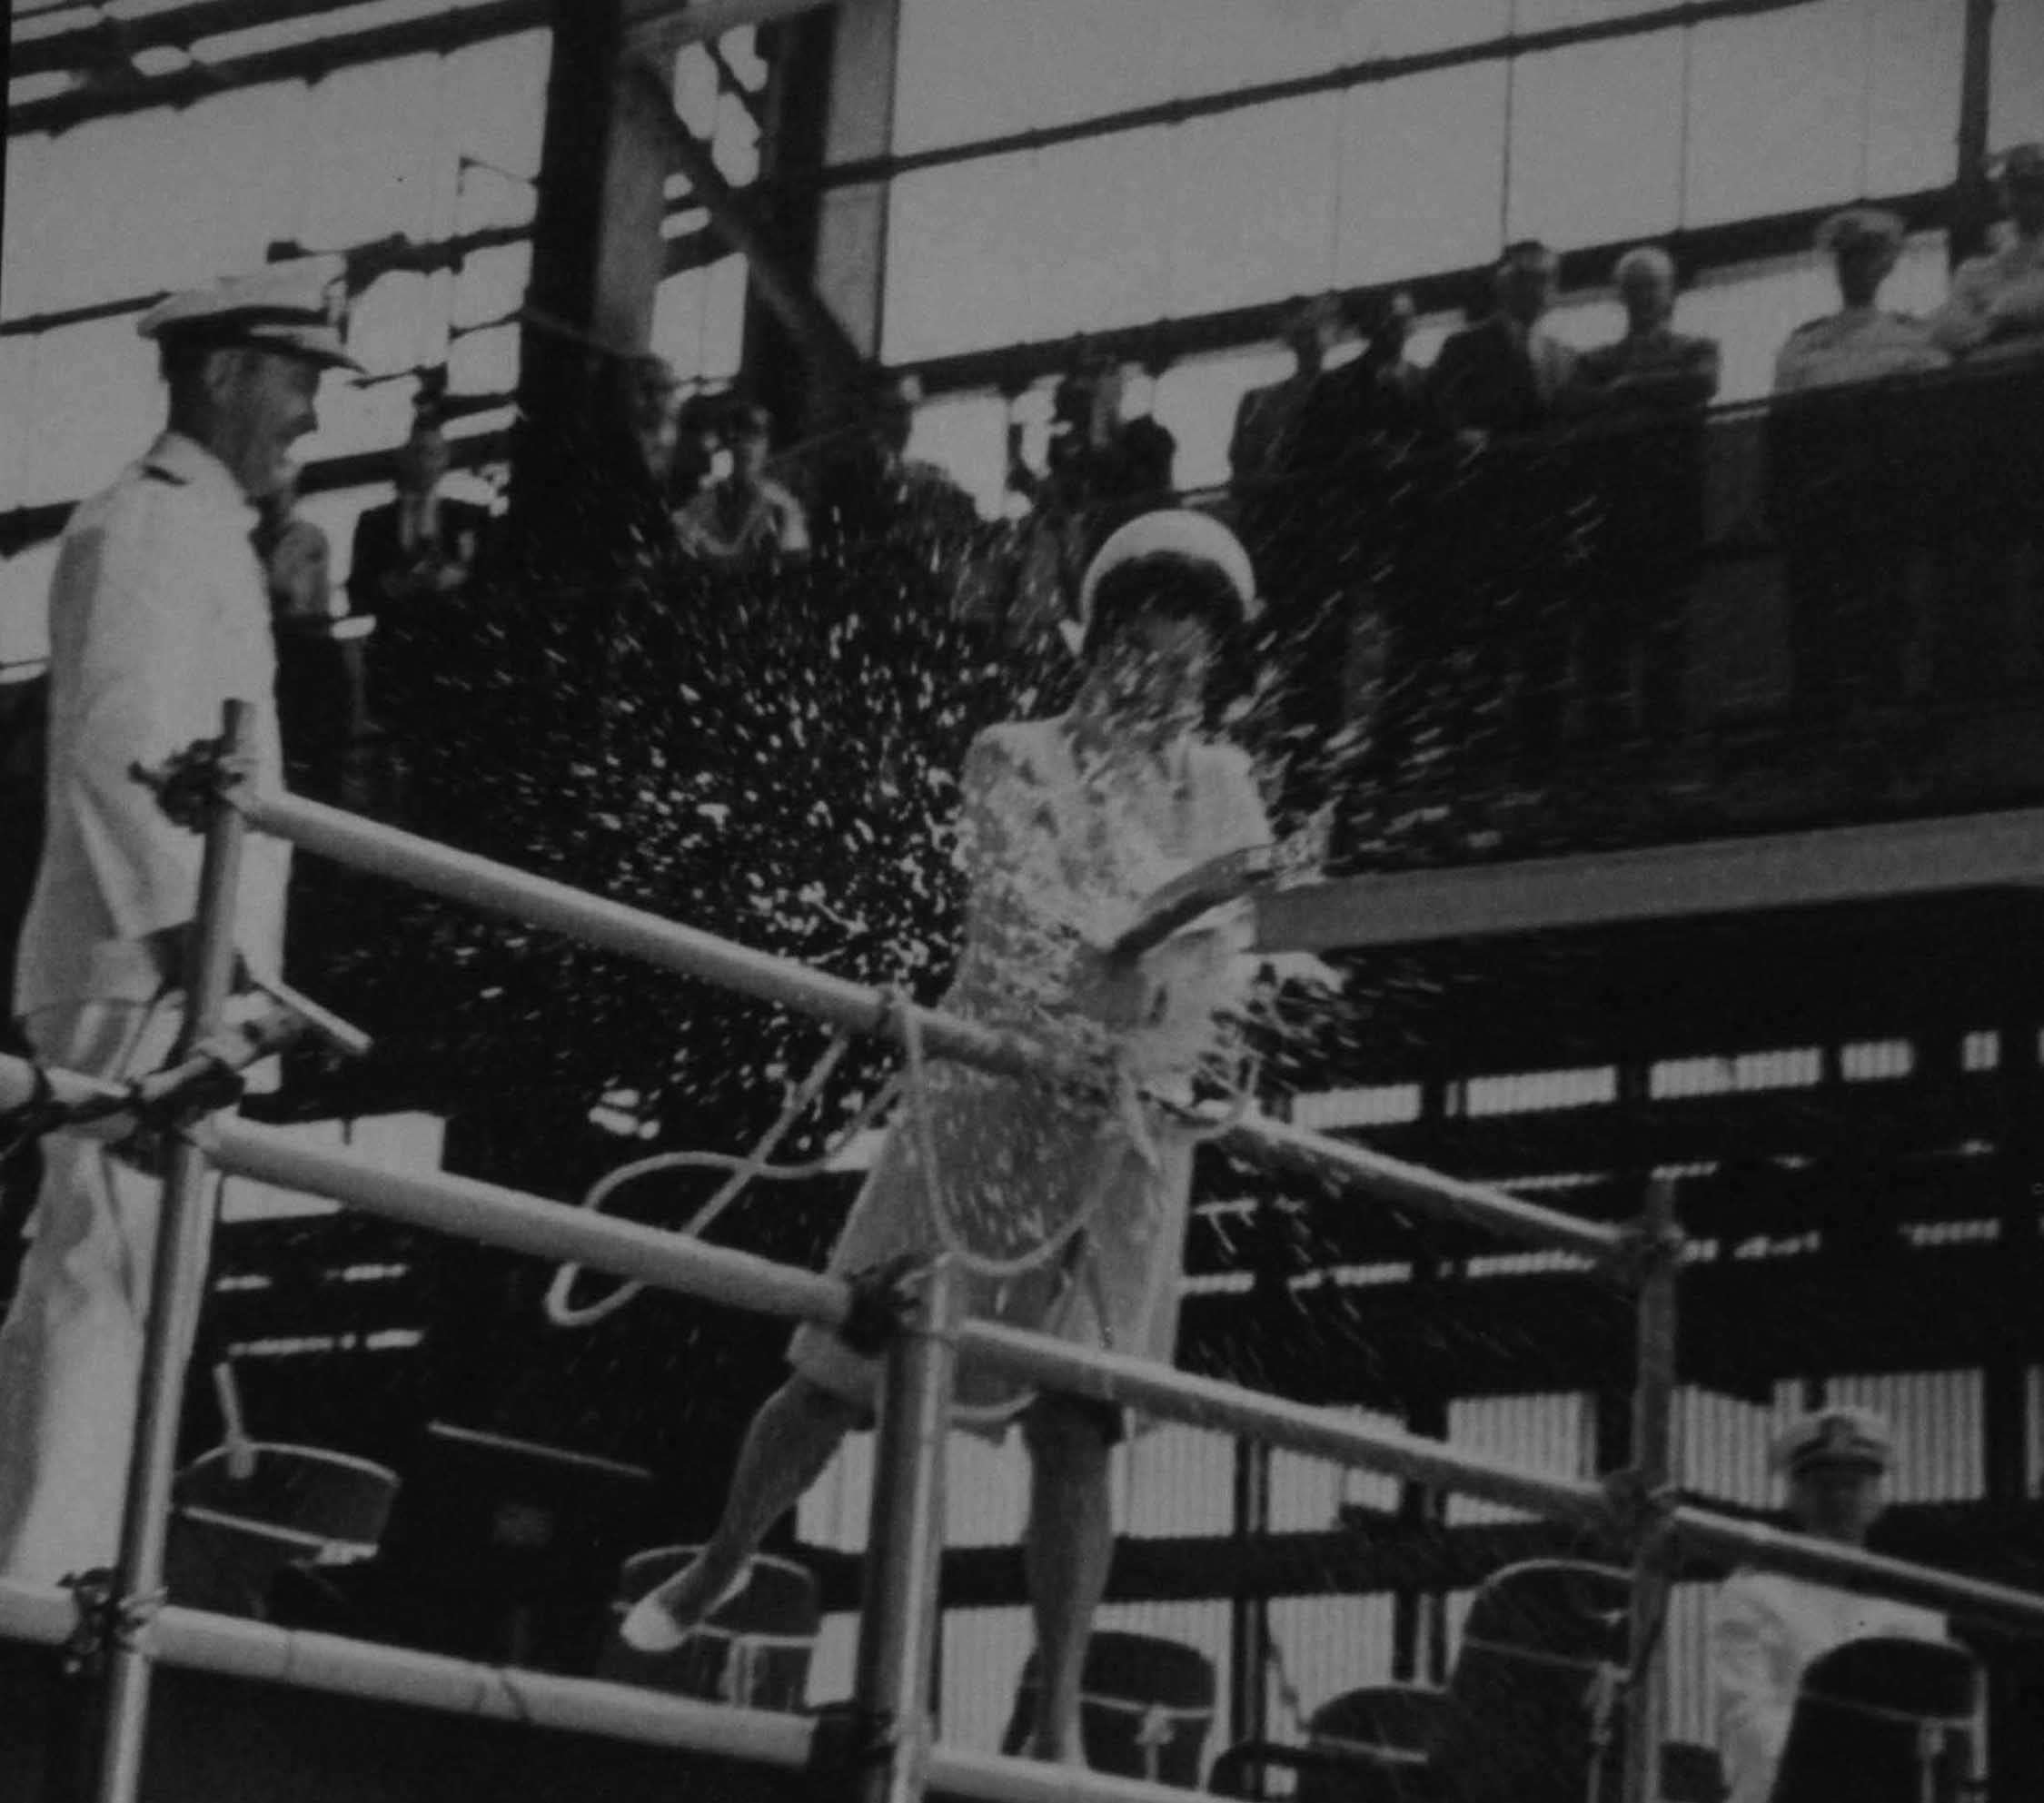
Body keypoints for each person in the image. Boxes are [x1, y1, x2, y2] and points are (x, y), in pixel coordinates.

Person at [620, 510, 1275, 1768]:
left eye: (1187, 668)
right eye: (1142, 657)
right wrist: (1140, 940)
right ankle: (721, 1556)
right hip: (992, 1099)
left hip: (1131, 1133)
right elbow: (1026, 921)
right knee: (842, 1361)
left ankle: (1061, 1708)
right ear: (1100, 646)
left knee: (1080, 1421)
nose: (1162, 688)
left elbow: (1231, 961)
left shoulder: (1227, 785)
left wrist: (1208, 1026)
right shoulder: (1014, 754)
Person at [0, 257, 359, 1582]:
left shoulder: (196, 527)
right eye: (297, 377)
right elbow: (122, 751)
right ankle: (43, 1587)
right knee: (105, 1274)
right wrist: (197, 971)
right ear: (224, 371)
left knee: (128, 1280)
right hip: (144, 966)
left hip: (172, 967)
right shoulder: (148, 524)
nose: (310, 412)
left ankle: (65, 1576)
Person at [1711, 1406, 1948, 1803]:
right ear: (1795, 1497)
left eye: (1854, 1484)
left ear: (1878, 1498)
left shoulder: (1913, 1608)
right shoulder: (1754, 1595)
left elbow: (1928, 1734)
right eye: (1823, 1486)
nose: (1839, 1498)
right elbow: (1750, 1722)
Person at [1768, 209, 1949, 726]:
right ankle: (1817, 723)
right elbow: (1784, 422)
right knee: (1814, 614)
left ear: (1886, 265)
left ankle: (1885, 714)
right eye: (1847, 257)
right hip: (1819, 496)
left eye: (1869, 257)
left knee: (1885, 606)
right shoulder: (1803, 343)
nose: (1857, 268)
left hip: (1883, 493)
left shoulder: (1911, 336)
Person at [1573, 246, 1721, 744]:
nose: (1643, 296)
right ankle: (1611, 752)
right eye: (1633, 287)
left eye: (1652, 285)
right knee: (1607, 643)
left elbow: (1702, 382)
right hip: (1610, 517)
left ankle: (1667, 744)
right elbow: (1577, 401)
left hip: (1671, 511)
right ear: (1620, 296)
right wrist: (1649, 395)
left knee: (1668, 635)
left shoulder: (1696, 349)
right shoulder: (1594, 360)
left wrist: (1629, 387)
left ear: (1671, 292)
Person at [673, 398, 810, 567]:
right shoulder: (702, 505)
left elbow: (795, 560)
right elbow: (684, 529)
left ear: (767, 446)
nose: (743, 445)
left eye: (754, 436)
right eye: (735, 438)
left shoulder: (781, 507)